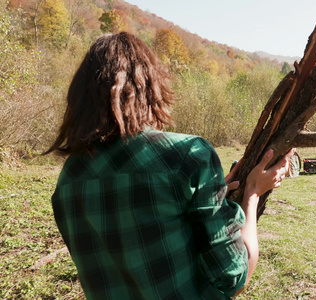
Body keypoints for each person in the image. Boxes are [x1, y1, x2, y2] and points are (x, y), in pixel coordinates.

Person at [45, 32, 295, 299]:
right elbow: (235, 278)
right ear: (150, 87)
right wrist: (253, 192)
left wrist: (210, 193)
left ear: (80, 98)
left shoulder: (68, 180)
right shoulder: (188, 155)